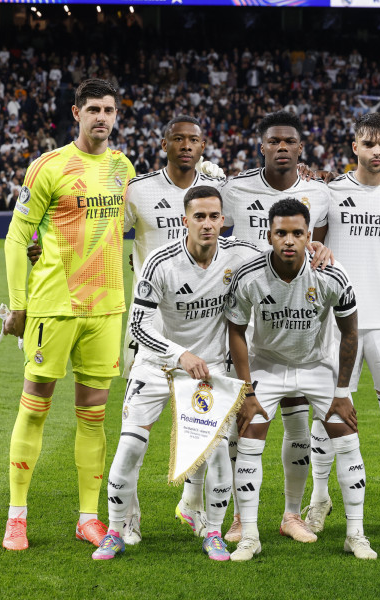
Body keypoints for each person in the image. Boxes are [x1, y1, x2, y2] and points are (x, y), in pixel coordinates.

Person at [91, 185, 262, 561]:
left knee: (216, 453)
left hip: (209, 369)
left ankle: (213, 532)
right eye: (198, 217)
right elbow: (138, 326)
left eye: (214, 216)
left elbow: (284, 255)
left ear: (223, 220)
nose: (207, 224)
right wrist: (179, 354)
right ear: (185, 221)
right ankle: (115, 531)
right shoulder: (160, 261)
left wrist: (316, 249)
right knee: (131, 446)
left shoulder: (240, 254)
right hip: (156, 364)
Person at [3, 78, 135, 551]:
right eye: (93, 109)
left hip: (106, 309)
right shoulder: (48, 167)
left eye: (110, 109)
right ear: (76, 113)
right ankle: (17, 517)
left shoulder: (124, 168)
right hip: (54, 306)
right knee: (34, 407)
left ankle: (87, 517)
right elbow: (19, 237)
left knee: (94, 417)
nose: (102, 117)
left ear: (117, 115)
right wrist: (18, 304)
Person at [225, 198, 376, 560]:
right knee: (250, 432)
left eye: (297, 233)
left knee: (347, 435)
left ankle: (355, 534)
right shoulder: (249, 276)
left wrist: (342, 392)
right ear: (269, 235)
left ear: (310, 236)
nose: (289, 240)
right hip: (267, 364)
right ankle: (249, 535)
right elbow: (235, 333)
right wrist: (246, 392)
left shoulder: (330, 273)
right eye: (281, 233)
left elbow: (350, 333)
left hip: (315, 365)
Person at [307, 112, 380, 536]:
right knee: (328, 411)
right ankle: (320, 497)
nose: (376, 152)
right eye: (368, 144)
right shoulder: (330, 192)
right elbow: (311, 242)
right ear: (354, 147)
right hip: (337, 323)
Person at [220, 110, 332, 544]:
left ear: (300, 148)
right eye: (273, 141)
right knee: (241, 423)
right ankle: (238, 516)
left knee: (298, 424)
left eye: (289, 142)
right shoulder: (235, 188)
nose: (281, 147)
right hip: (247, 316)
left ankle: (291, 514)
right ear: (261, 146)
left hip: (298, 321)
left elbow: (318, 247)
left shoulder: (318, 192)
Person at [120, 114, 225, 545]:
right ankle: (127, 516)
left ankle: (192, 504)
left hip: (200, 327)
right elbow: (108, 237)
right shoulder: (140, 191)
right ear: (164, 143)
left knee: (202, 428)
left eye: (193, 139)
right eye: (177, 139)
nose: (185, 145)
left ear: (203, 145)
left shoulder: (217, 187)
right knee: (135, 435)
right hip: (149, 326)